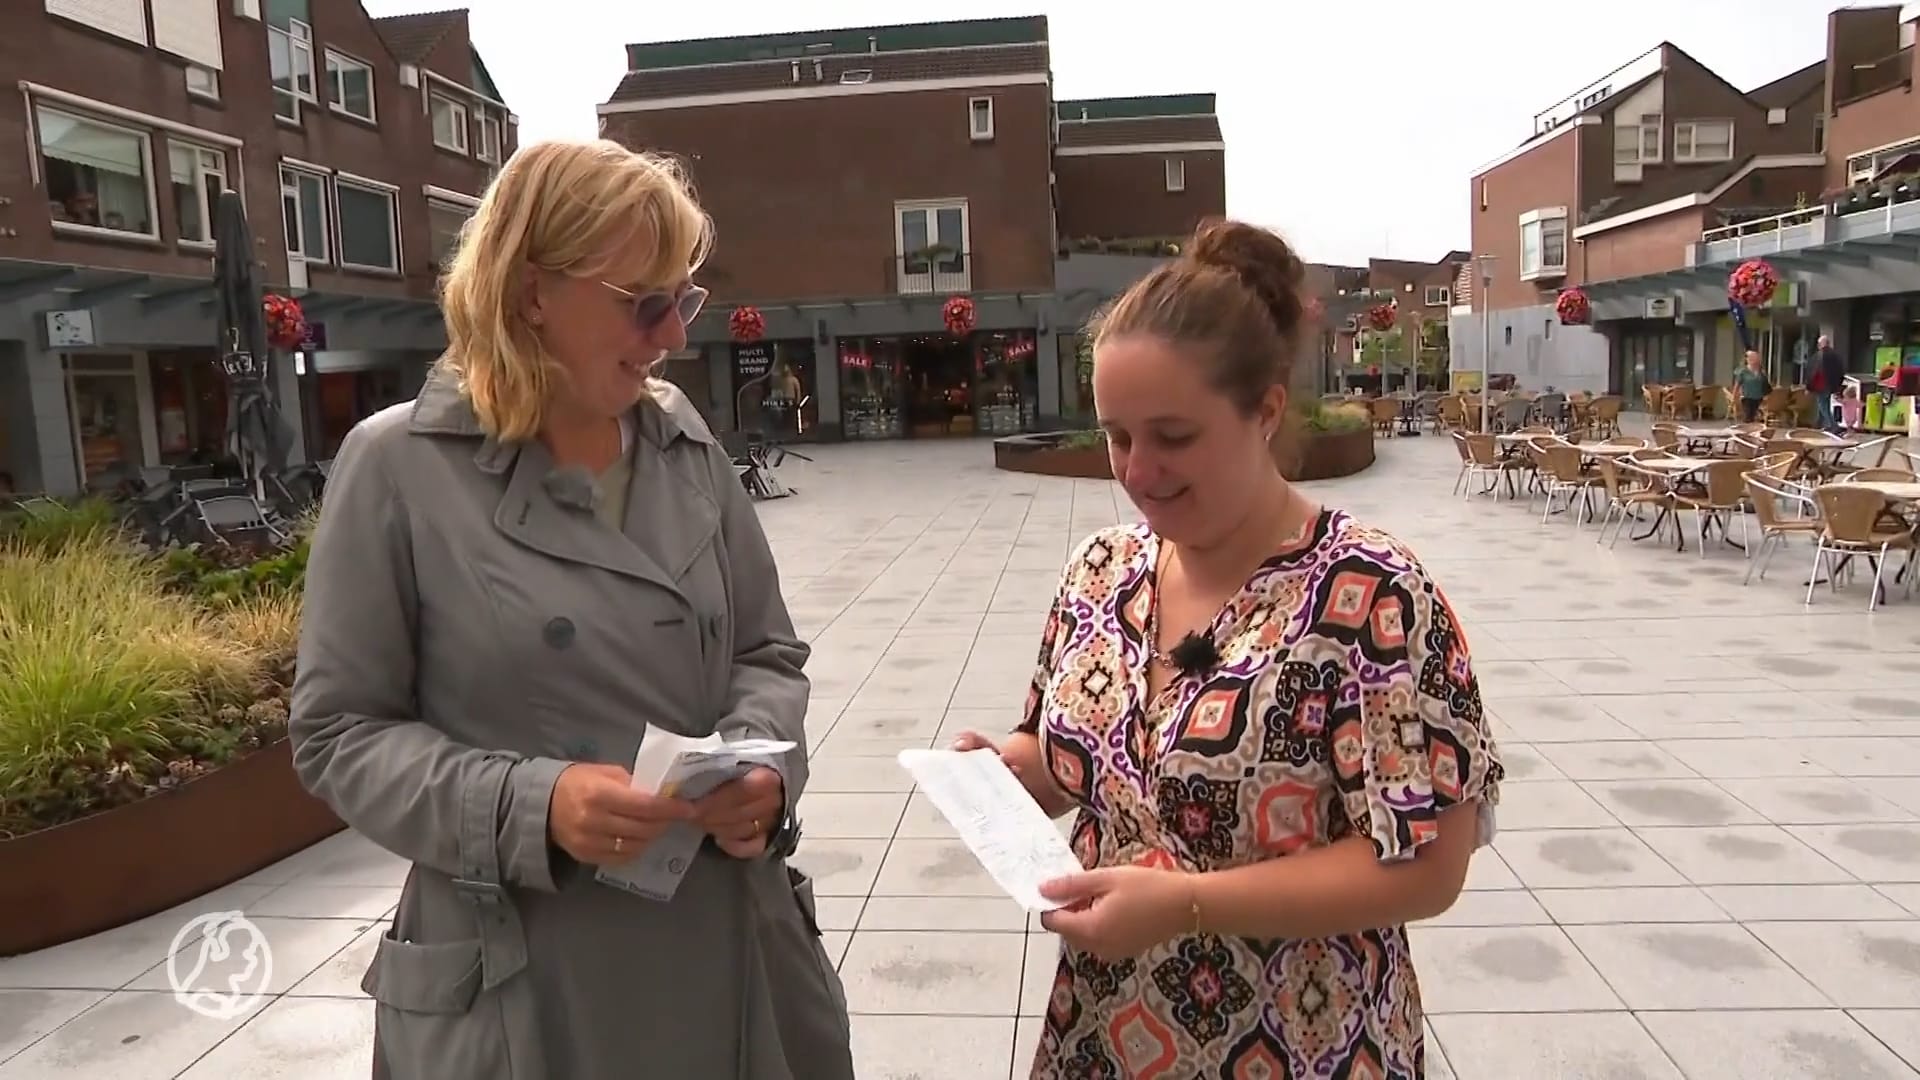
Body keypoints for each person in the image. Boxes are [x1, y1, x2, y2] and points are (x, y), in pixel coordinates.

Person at [289, 139, 853, 1080]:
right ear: (530, 293)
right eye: (644, 303)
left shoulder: (686, 446)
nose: (674, 334)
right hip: (526, 982)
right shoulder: (396, 467)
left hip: (728, 948)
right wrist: (531, 803)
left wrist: (765, 767)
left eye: (685, 299)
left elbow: (767, 653)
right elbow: (338, 733)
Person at [956, 219, 1503, 1079]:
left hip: (1301, 1044)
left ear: (1267, 411)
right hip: (1104, 1036)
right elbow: (1086, 759)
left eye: (1173, 437)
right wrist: (1010, 770)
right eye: (1117, 435)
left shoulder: (1369, 597)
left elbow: (1428, 865)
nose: (1137, 471)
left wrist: (1191, 907)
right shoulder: (1099, 572)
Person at [1812, 334, 1845, 432]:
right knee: (1824, 404)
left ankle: (1833, 425)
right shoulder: (1835, 356)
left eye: (1819, 344)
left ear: (1821, 344)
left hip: (1821, 385)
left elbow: (1815, 371)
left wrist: (1810, 385)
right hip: (1831, 385)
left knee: (1823, 405)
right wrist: (1837, 386)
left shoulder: (1820, 356)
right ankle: (1823, 424)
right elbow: (1840, 371)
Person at [1734, 349, 1772, 422]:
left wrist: (1766, 395)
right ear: (1747, 359)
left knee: (1756, 416)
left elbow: (1765, 383)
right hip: (1747, 397)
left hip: (1759, 397)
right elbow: (1737, 384)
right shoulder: (1743, 371)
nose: (1754, 359)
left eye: (1756, 357)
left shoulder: (1761, 371)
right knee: (1748, 416)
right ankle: (1747, 430)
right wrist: (1734, 397)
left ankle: (1754, 430)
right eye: (1752, 357)